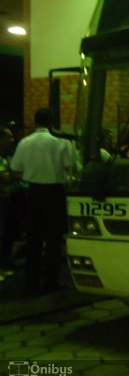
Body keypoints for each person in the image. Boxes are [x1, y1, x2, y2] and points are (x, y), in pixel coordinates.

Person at [10, 109, 74, 295]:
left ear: (35, 121)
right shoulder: (60, 142)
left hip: (34, 193)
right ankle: (51, 281)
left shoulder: (25, 142)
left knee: (33, 239)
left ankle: (31, 283)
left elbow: (15, 167)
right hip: (55, 193)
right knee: (54, 239)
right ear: (51, 122)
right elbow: (69, 165)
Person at [0, 125, 15, 272]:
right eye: (8, 136)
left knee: (7, 232)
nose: (12, 139)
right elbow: (4, 177)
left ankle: (5, 261)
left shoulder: (8, 155)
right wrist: (12, 175)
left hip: (8, 198)